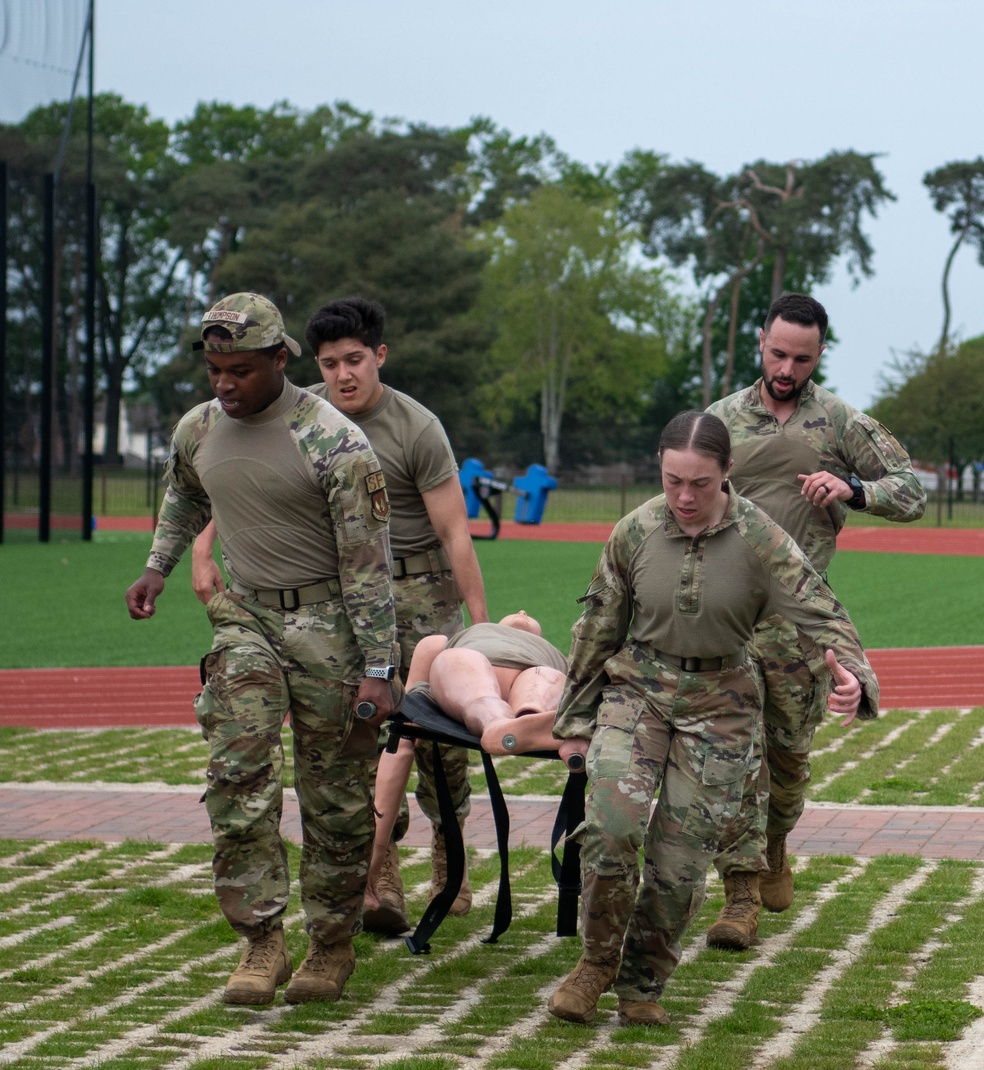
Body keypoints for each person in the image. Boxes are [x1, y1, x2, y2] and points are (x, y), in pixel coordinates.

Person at [547, 409, 878, 1028]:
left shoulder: (761, 538)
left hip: (722, 699)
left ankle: (642, 982)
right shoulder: (635, 530)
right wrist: (572, 720)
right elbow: (597, 629)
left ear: (728, 474)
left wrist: (856, 676)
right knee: (612, 825)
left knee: (680, 857)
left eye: (700, 482)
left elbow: (821, 611)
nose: (684, 496)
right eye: (674, 480)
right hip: (638, 689)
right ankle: (594, 965)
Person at [125, 292, 400, 1009]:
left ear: (281, 361)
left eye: (241, 370)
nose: (225, 384)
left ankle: (331, 945)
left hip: (330, 628)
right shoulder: (200, 428)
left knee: (336, 801)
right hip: (244, 620)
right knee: (237, 772)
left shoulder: (335, 444)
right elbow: (185, 496)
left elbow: (369, 567)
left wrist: (379, 670)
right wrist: (159, 563)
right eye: (215, 370)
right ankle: (260, 938)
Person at [192, 295, 488, 937]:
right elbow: (244, 485)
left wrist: (478, 627)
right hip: (347, 597)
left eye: (354, 360)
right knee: (371, 735)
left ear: (378, 356)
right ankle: (379, 873)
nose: (343, 374)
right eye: (329, 364)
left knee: (438, 740)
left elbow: (455, 529)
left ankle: (448, 850)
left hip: (421, 591)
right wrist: (201, 547)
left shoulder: (416, 427)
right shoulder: (306, 421)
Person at [706, 292, 925, 937]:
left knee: (787, 760)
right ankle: (738, 898)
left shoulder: (838, 421)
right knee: (732, 757)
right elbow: (680, 498)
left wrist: (854, 488)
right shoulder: (719, 423)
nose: (787, 367)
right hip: (729, 616)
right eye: (777, 353)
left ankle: (776, 845)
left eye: (801, 358)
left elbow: (910, 489)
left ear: (819, 354)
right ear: (761, 345)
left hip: (800, 623)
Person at [363, 612, 569, 915]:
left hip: (525, 669)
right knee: (520, 682)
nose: (523, 613)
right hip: (517, 670)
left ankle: (504, 719)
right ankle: (522, 719)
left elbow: (401, 743)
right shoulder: (549, 654)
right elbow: (405, 735)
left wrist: (375, 854)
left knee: (483, 677)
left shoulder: (456, 642)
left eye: (527, 616)